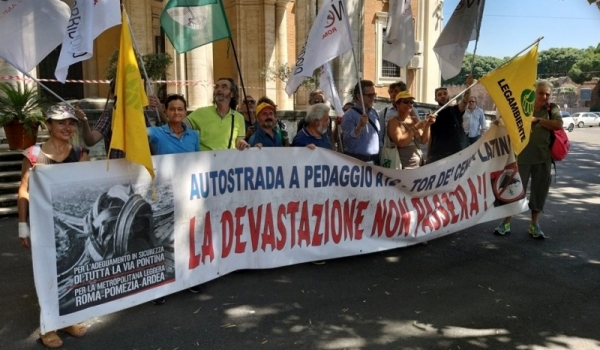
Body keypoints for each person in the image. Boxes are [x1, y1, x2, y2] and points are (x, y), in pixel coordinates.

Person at [17, 104, 90, 348]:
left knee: (72, 270)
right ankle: (47, 326)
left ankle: (67, 319)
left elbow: (85, 189)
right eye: (60, 122)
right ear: (48, 125)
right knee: (47, 275)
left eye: (71, 123)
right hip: (43, 226)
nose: (67, 127)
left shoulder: (80, 153)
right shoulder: (33, 154)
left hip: (73, 226)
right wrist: (22, 225)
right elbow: (24, 189)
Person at [146, 94, 199, 304]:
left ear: (185, 111)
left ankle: (190, 278)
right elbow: (137, 134)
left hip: (188, 195)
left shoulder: (194, 136)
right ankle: (161, 285)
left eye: (180, 109)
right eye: (172, 109)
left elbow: (199, 161)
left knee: (187, 236)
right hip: (164, 196)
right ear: (165, 112)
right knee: (163, 239)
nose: (176, 113)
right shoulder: (157, 133)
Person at [493, 80, 563, 239]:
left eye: (547, 94)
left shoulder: (552, 109)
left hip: (543, 159)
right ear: (534, 92)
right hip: (521, 158)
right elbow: (507, 120)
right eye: (541, 93)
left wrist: (538, 120)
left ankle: (534, 224)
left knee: (539, 192)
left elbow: (558, 124)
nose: (544, 96)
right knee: (512, 191)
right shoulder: (524, 106)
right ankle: (505, 222)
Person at [77, 79, 165, 159]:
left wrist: (160, 110)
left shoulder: (141, 114)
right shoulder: (110, 115)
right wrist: (84, 122)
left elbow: (161, 135)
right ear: (114, 94)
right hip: (119, 169)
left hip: (140, 167)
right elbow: (91, 140)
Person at [184, 77, 249, 151]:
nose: (219, 90)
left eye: (224, 87)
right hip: (205, 160)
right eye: (216, 87)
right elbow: (180, 126)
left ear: (232, 94)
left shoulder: (239, 118)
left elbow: (238, 142)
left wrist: (242, 143)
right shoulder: (201, 112)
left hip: (227, 160)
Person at [427, 76, 473, 163]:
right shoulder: (432, 115)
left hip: (455, 154)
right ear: (435, 99)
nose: (443, 96)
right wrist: (428, 156)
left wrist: (468, 86)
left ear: (449, 95)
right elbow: (431, 137)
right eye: (439, 95)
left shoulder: (455, 110)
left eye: (445, 93)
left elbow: (465, 100)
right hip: (437, 156)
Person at [387, 91, 435, 169]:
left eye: (411, 102)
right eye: (406, 102)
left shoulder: (414, 120)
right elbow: (401, 142)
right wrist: (415, 128)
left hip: (418, 166)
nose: (409, 105)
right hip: (403, 167)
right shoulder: (393, 121)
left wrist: (428, 125)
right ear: (397, 104)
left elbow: (423, 140)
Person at [341, 80, 380, 164]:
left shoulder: (374, 113)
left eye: (374, 95)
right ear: (359, 96)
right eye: (369, 95)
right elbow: (348, 143)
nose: (373, 98)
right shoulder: (349, 115)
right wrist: (359, 127)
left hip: (375, 162)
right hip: (357, 163)